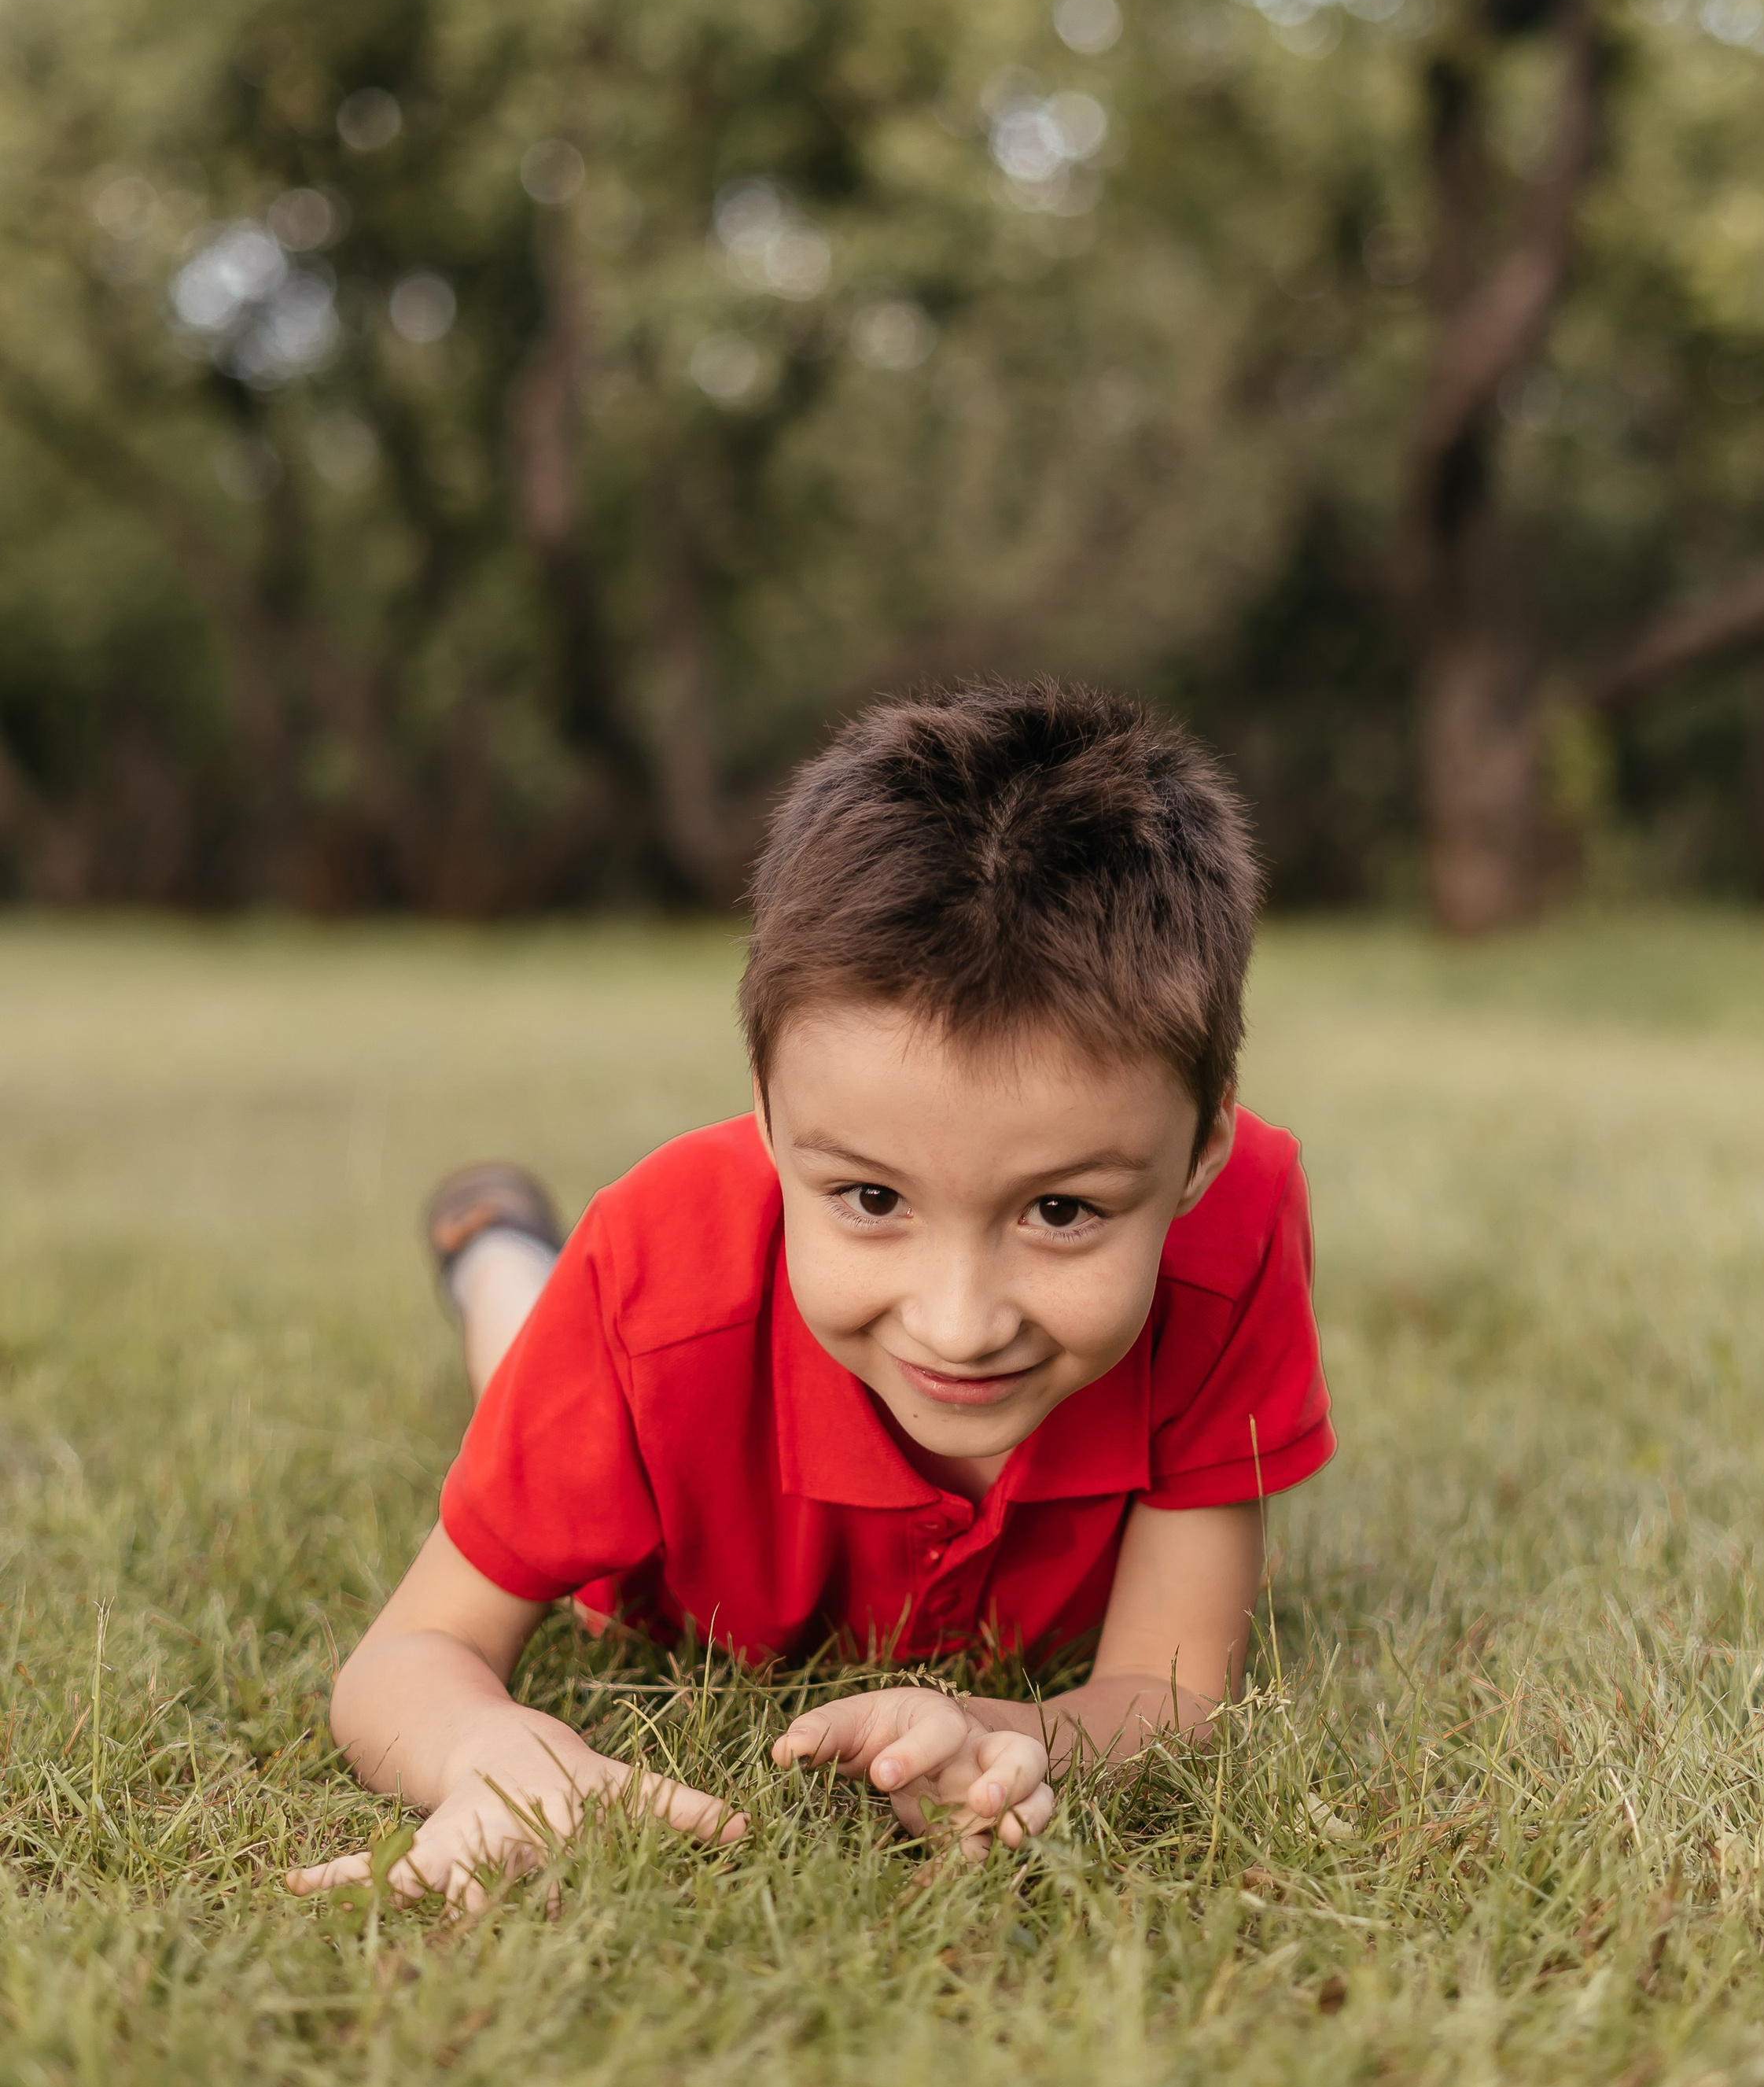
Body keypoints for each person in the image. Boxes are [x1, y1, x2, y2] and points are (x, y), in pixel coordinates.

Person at [286, 683, 1333, 1911]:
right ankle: (502, 1255)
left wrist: (1008, 1733)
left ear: (1200, 1152)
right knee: (528, 1357)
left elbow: (1171, 1690)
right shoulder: (656, 1280)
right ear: (770, 1119)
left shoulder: (1240, 1218)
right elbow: (408, 1657)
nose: (958, 1322)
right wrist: (500, 1752)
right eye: (871, 1200)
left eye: (1062, 1212)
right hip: (654, 1480)